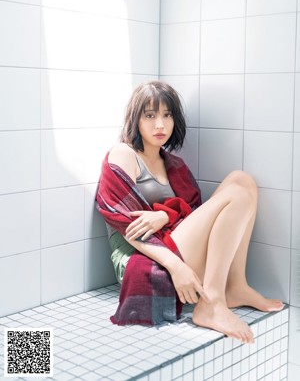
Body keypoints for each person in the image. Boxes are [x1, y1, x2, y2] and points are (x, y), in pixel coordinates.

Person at [96, 81, 284, 344]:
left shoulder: (174, 164)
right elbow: (127, 224)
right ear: (135, 119)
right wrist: (176, 267)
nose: (160, 125)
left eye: (167, 115)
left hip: (171, 241)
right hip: (141, 257)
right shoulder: (123, 153)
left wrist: (165, 215)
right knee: (238, 195)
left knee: (242, 180)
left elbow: (191, 213)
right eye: (150, 116)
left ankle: (235, 285)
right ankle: (212, 303)